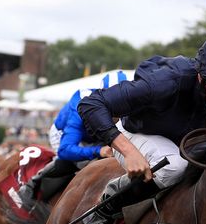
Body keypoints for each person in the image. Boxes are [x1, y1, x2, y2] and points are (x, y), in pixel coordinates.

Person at [78, 32, 206, 224]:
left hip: (185, 142)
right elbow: (91, 104)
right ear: (200, 76)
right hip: (138, 133)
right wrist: (129, 152)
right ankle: (106, 206)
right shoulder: (167, 81)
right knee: (174, 167)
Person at [16, 72, 127, 208]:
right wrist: (99, 150)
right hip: (63, 134)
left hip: (96, 134)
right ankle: (33, 185)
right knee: (74, 162)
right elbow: (65, 150)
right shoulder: (81, 109)